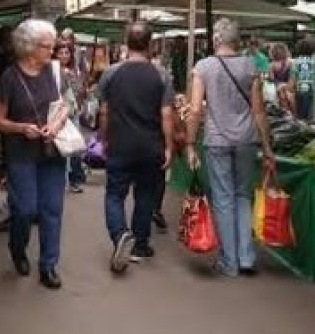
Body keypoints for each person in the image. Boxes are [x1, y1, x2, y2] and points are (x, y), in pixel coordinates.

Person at [187, 18, 275, 277]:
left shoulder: (203, 67)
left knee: (224, 199)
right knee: (243, 196)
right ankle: (246, 258)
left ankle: (229, 262)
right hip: (247, 140)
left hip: (217, 140)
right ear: (237, 40)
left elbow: (194, 110)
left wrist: (190, 144)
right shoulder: (250, 66)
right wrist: (268, 147)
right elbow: (259, 112)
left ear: (216, 39)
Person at [0, 19, 69, 290]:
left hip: (51, 150)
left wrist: (55, 124)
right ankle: (17, 247)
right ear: (29, 47)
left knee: (52, 209)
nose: (52, 51)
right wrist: (20, 128)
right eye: (46, 46)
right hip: (21, 152)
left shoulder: (54, 72)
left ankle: (48, 265)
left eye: (52, 45)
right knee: (24, 208)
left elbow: (66, 105)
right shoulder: (9, 78)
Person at [98, 21, 174, 274]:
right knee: (146, 195)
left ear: (126, 42)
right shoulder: (162, 75)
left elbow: (104, 111)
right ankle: (140, 244)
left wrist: (103, 138)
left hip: (120, 144)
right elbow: (166, 115)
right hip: (151, 146)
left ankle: (120, 234)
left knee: (114, 195)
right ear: (150, 44)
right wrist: (169, 147)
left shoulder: (111, 73)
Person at [53, 40, 87, 193]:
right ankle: (64, 181)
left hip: (73, 112)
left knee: (75, 147)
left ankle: (74, 179)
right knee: (63, 147)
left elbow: (79, 90)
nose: (64, 55)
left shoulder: (74, 70)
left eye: (67, 52)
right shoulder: (53, 71)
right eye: (61, 52)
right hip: (59, 114)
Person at [289, 38, 314, 121]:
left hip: (299, 92)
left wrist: (290, 89)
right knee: (311, 117)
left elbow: (292, 80)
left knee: (301, 117)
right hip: (312, 91)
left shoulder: (295, 62)